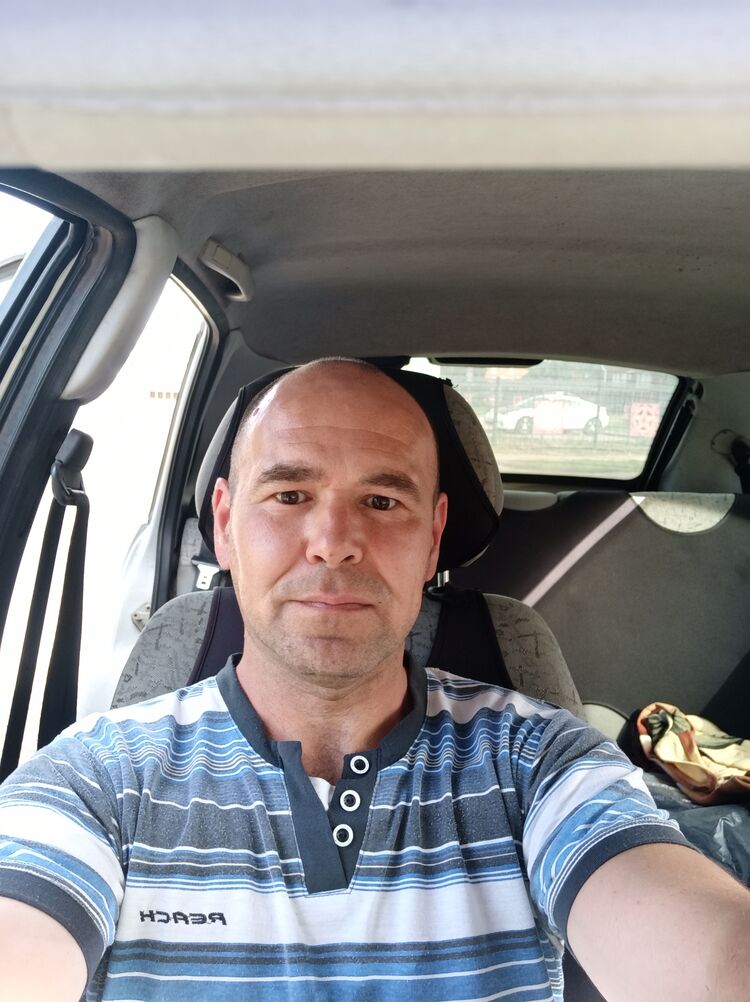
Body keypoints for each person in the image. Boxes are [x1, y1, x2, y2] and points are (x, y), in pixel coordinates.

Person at [0, 358, 748, 1002]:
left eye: (382, 501)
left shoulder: (541, 761)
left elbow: (704, 948)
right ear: (225, 525)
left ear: (433, 537)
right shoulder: (97, 777)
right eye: (289, 495)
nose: (334, 544)